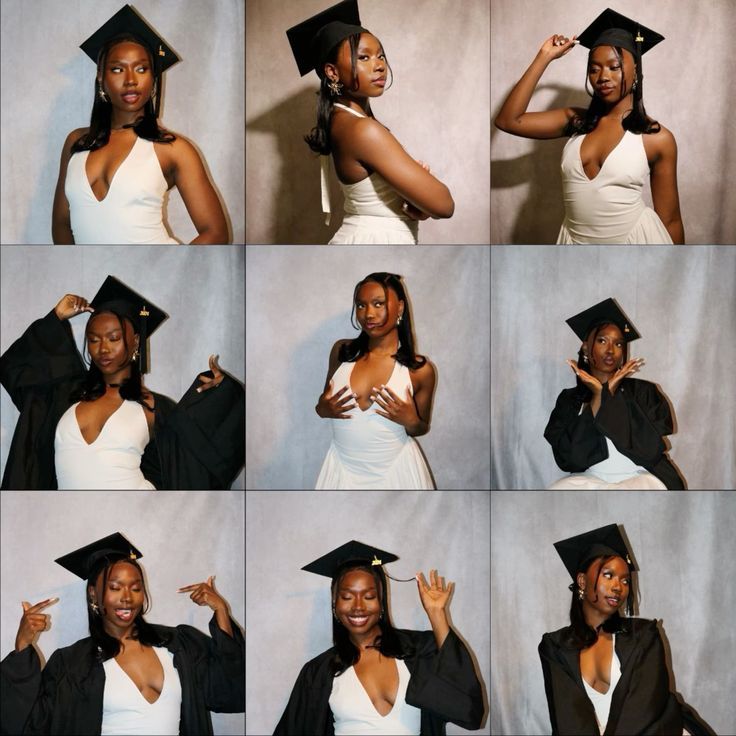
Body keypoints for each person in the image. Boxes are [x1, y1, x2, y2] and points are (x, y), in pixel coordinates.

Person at [0, 275, 245, 489]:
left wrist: (222, 395)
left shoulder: (152, 407)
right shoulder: (66, 395)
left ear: (136, 341)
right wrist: (55, 318)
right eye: (94, 339)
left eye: (113, 338)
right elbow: (19, 372)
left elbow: (199, 462)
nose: (103, 348)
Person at [0, 532, 244, 735]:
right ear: (94, 595)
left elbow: (230, 690)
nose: (127, 597)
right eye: (115, 587)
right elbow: (27, 723)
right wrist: (23, 646)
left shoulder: (177, 645)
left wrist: (221, 610)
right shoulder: (72, 664)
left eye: (136, 588)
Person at [494, 8, 684, 244]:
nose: (602, 76)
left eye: (614, 67)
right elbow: (508, 120)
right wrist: (544, 57)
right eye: (594, 69)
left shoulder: (655, 137)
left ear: (636, 70)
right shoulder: (576, 121)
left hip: (635, 246)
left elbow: (671, 221)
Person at [53, 4, 229, 244]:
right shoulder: (76, 142)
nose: (131, 80)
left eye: (141, 69)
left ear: (153, 77)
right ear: (101, 78)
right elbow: (62, 223)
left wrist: (166, 267)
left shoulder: (173, 149)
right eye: (117, 69)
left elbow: (215, 233)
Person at [286, 0, 454, 244]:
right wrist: (425, 194)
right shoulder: (362, 129)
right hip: (375, 238)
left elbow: (427, 204)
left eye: (381, 55)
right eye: (363, 57)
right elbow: (445, 204)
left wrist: (418, 201)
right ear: (332, 72)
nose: (379, 66)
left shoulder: (340, 120)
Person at [274, 540, 484, 734]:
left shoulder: (418, 652)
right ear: (334, 604)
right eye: (347, 597)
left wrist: (437, 614)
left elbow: (470, 711)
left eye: (369, 596)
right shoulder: (318, 673)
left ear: (381, 602)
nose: (358, 606)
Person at [539, 524, 712, 735]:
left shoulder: (644, 636)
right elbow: (567, 720)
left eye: (625, 580)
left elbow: (643, 710)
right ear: (582, 581)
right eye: (608, 575)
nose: (618, 587)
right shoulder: (556, 647)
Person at [544, 297, 685, 489]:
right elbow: (570, 460)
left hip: (643, 475)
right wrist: (597, 397)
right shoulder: (570, 400)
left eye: (619, 344)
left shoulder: (645, 392)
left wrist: (608, 395)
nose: (611, 350)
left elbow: (650, 452)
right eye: (602, 340)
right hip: (589, 479)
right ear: (586, 347)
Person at [314, 272, 436, 489]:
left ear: (400, 308)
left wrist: (411, 420)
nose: (368, 314)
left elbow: (421, 427)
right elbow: (323, 407)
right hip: (342, 471)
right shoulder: (342, 352)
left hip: (397, 474)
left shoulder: (419, 370)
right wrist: (322, 408)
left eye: (378, 304)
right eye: (361, 306)